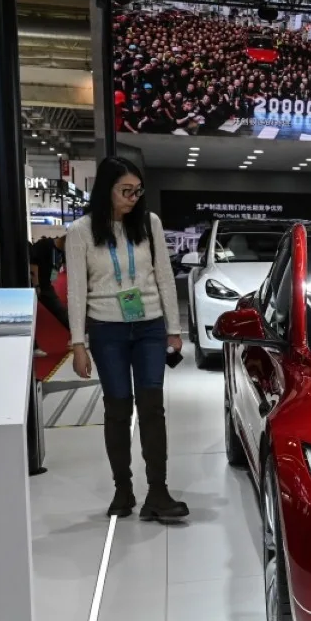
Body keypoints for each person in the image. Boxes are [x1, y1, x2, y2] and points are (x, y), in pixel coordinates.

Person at [66, 157, 187, 522]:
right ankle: (123, 488)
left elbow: (165, 277)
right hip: (107, 331)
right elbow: (76, 291)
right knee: (118, 410)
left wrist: (174, 329)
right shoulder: (81, 231)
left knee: (152, 408)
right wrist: (77, 343)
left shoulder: (149, 224)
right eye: (125, 191)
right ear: (106, 190)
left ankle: (158, 491)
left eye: (138, 191)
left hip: (149, 326)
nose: (133, 198)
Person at [29, 232, 69, 330]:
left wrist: (52, 280)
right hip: (36, 284)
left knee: (59, 310)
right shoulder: (45, 244)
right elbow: (33, 264)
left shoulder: (61, 252)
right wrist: (36, 285)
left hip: (46, 285)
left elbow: (56, 268)